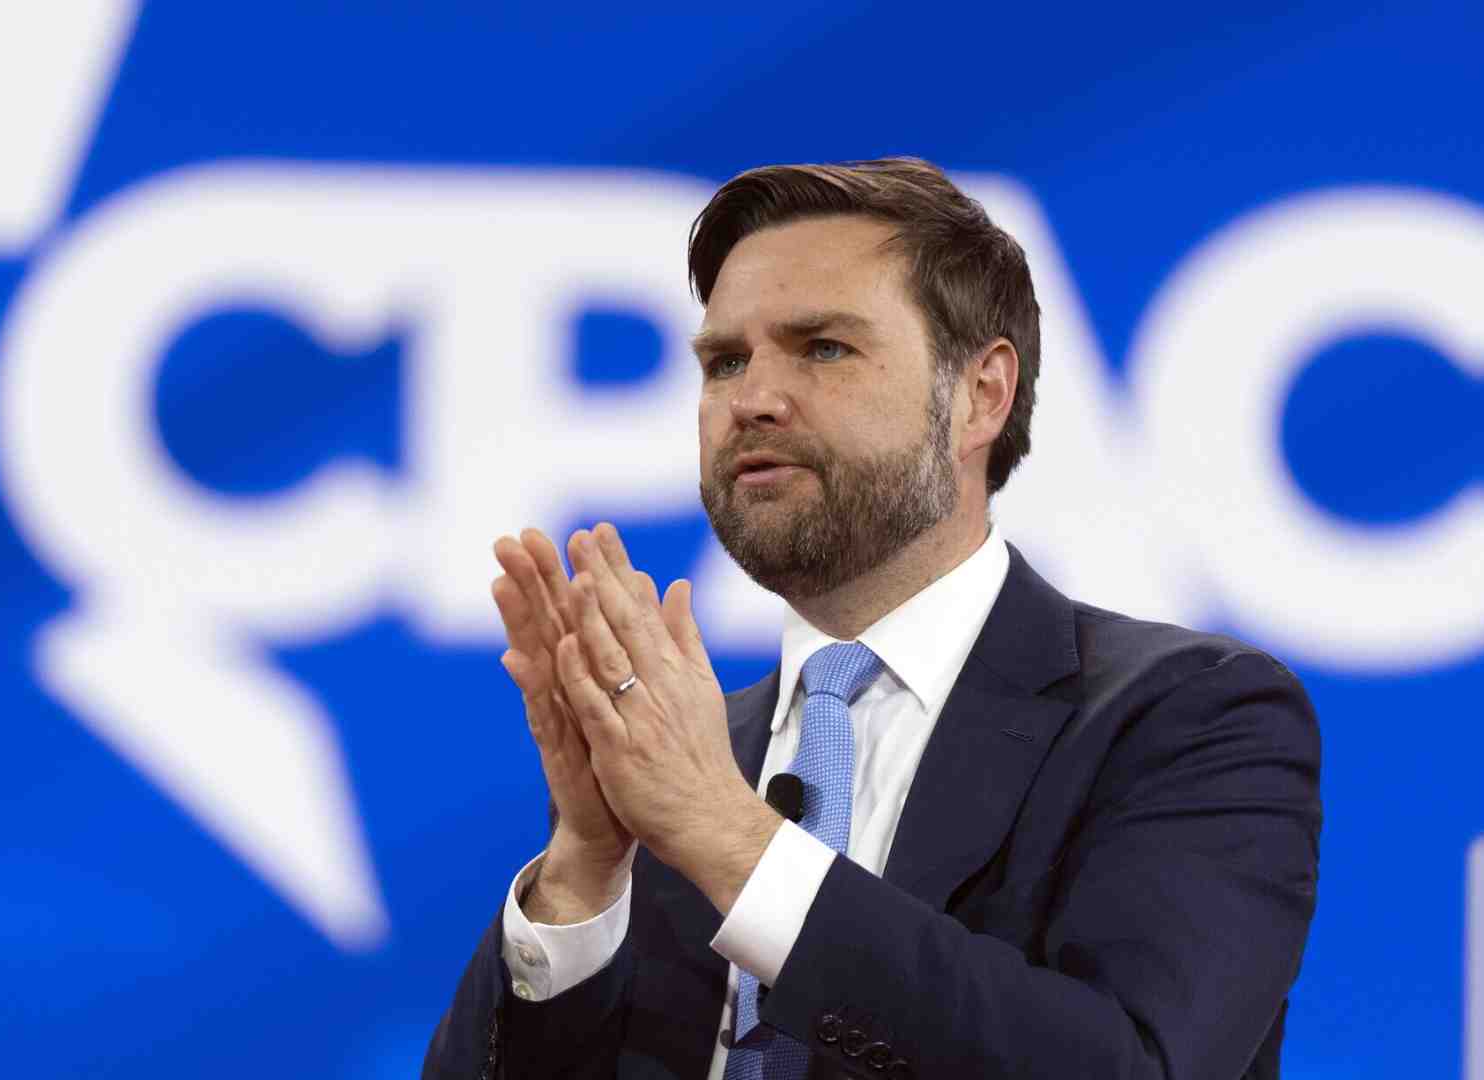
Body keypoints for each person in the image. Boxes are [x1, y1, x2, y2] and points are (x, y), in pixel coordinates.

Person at [423, 158, 1320, 1079]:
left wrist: (732, 841)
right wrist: (583, 868)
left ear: (980, 394)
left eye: (822, 348)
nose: (751, 400)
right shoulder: (675, 767)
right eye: (725, 362)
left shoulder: (1190, 719)